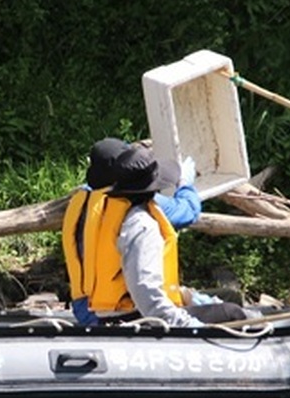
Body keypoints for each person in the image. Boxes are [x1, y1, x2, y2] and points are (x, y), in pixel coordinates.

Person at [80, 145, 247, 327]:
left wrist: (188, 296)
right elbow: (146, 292)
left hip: (108, 314)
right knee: (232, 313)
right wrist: (187, 325)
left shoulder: (106, 210)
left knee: (226, 303)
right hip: (134, 318)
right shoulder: (142, 224)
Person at [62, 137, 204, 325]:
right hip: (125, 312)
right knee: (226, 306)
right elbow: (188, 211)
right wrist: (185, 183)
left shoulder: (79, 201)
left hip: (85, 308)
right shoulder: (134, 208)